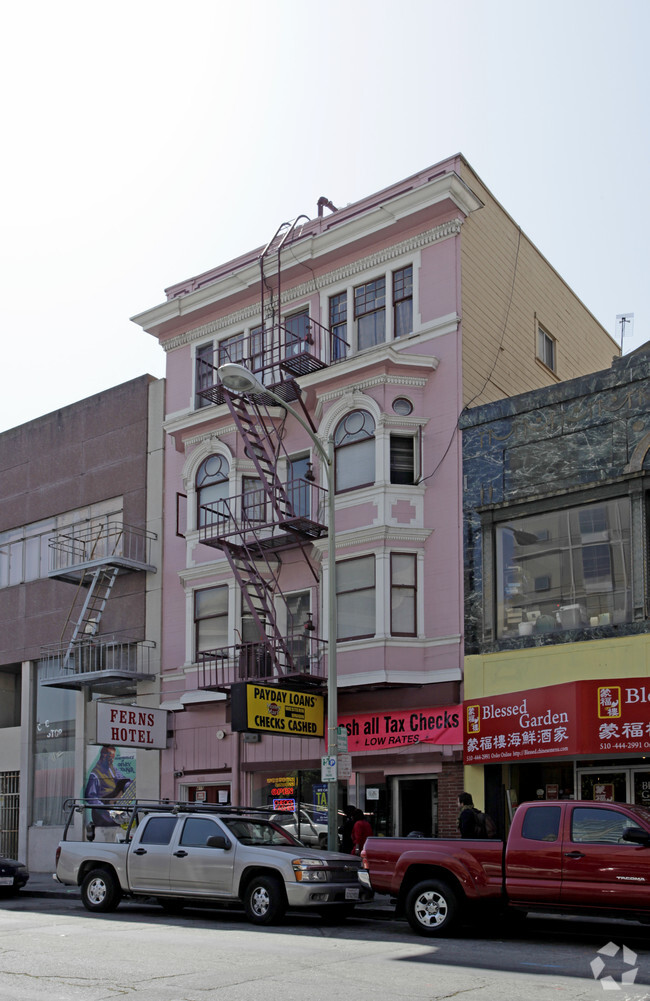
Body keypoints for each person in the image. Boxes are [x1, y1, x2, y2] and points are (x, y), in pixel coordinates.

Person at [84, 745, 131, 837]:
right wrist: (107, 809)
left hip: (113, 811)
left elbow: (122, 780)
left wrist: (129, 785)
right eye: (110, 757)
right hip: (102, 815)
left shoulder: (112, 769)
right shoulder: (95, 774)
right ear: (103, 756)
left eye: (113, 758)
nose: (111, 761)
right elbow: (90, 797)